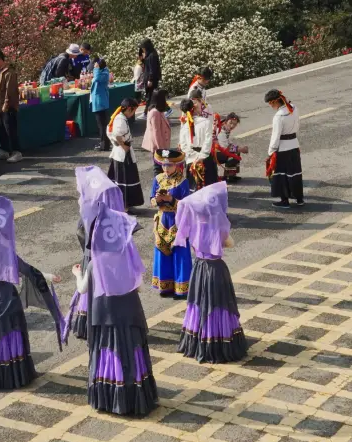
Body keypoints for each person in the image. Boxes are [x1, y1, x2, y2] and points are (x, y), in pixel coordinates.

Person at [0, 193, 63, 392]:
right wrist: (47, 276)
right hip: (7, 308)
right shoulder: (4, 250)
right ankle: (14, 377)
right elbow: (26, 270)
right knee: (10, 343)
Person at [72, 202, 158, 416]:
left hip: (105, 316)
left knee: (109, 353)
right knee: (131, 352)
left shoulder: (95, 262)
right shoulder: (127, 258)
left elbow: (83, 289)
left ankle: (111, 398)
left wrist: (76, 274)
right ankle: (135, 395)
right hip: (129, 314)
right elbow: (138, 287)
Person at [174, 182, 246, 364]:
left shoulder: (194, 225)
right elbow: (229, 243)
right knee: (219, 305)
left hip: (199, 267)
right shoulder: (219, 227)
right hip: (216, 269)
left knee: (198, 303)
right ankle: (220, 340)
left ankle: (198, 339)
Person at [65, 165, 126, 341]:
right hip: (106, 260)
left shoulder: (89, 211)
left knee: (90, 289)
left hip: (91, 258)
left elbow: (81, 234)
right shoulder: (109, 216)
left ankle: (91, 323)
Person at [150, 149, 192, 298]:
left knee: (179, 254)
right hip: (162, 221)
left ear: (176, 165)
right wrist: (157, 200)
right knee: (162, 252)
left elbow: (187, 205)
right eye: (163, 165)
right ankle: (165, 286)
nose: (166, 169)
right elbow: (151, 200)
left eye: (169, 165)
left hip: (177, 221)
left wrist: (171, 200)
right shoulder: (158, 179)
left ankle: (181, 288)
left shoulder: (183, 181)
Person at [265, 89, 304, 208]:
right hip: (294, 144)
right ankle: (299, 199)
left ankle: (284, 201)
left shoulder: (279, 116)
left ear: (273, 102)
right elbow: (297, 125)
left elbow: (275, 136)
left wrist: (271, 151)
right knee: (295, 173)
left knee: (281, 175)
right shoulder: (294, 108)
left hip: (282, 148)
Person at [107, 97, 144, 209]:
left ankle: (124, 204)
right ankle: (124, 205)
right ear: (129, 109)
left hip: (121, 153)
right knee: (124, 180)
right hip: (122, 154)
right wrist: (123, 145)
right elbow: (117, 134)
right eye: (133, 111)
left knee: (123, 180)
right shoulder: (120, 119)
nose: (133, 114)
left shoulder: (118, 117)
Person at [0, 50, 22, 163]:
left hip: (7, 107)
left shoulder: (9, 72)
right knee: (0, 129)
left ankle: (16, 152)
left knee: (10, 130)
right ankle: (4, 151)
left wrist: (6, 105)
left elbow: (10, 91)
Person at [179, 96, 217, 190]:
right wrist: (201, 156)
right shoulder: (206, 122)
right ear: (194, 108)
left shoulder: (184, 127)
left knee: (194, 189)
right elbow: (208, 141)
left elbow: (183, 145)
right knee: (209, 189)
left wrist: (193, 157)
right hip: (205, 159)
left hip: (191, 160)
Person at [141, 88, 171, 175]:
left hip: (159, 145)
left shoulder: (156, 110)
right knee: (158, 169)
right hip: (158, 146)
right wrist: (162, 150)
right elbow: (156, 132)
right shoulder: (155, 112)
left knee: (160, 168)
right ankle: (157, 187)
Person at [214, 113, 248, 182]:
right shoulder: (221, 130)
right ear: (226, 121)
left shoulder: (225, 128)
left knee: (236, 151)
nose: (232, 126)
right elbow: (225, 148)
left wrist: (238, 148)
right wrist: (241, 149)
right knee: (234, 154)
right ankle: (228, 176)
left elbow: (228, 143)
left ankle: (231, 174)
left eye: (235, 124)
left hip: (218, 150)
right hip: (214, 154)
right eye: (231, 123)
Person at [90, 58, 110, 151]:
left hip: (100, 102)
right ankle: (105, 143)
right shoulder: (102, 72)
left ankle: (104, 145)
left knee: (102, 125)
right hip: (99, 101)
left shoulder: (104, 74)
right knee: (101, 124)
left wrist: (96, 69)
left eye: (95, 65)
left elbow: (97, 78)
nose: (94, 67)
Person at [139, 38, 161, 114]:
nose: (143, 50)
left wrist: (150, 79)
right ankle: (147, 112)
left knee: (151, 96)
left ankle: (147, 112)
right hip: (148, 78)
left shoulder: (152, 55)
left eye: (143, 48)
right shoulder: (149, 54)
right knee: (151, 96)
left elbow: (152, 69)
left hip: (151, 79)